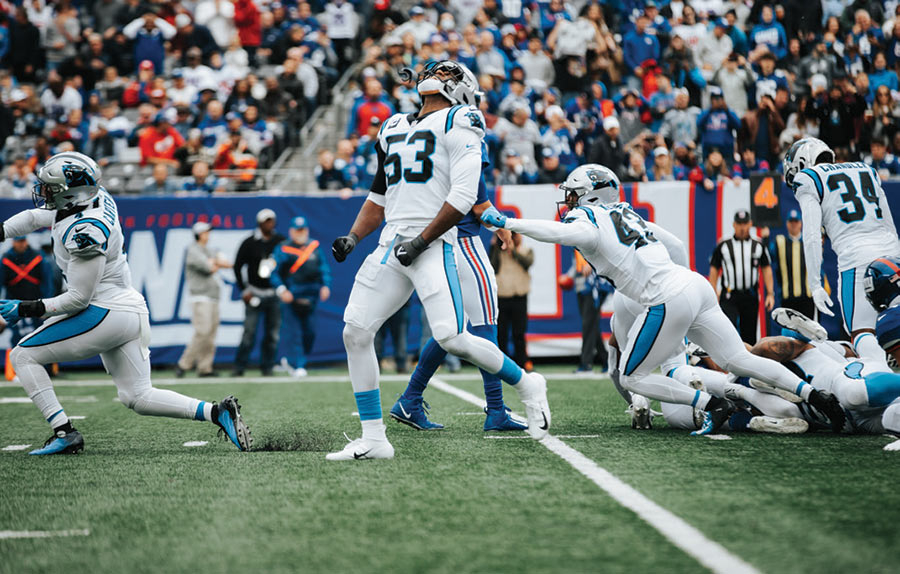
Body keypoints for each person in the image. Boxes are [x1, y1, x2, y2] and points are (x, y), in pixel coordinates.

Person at [481, 163, 844, 435]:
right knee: (737, 358)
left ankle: (709, 404)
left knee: (631, 378)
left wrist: (508, 222)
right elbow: (678, 246)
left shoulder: (587, 220)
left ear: (590, 194)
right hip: (692, 283)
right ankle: (814, 395)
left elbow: (556, 232)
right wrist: (681, 289)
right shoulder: (625, 212)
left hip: (664, 296)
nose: (569, 200)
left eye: (573, 194)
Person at [329, 60, 550, 460]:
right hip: (391, 243)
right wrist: (354, 236)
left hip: (431, 243)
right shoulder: (393, 125)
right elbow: (379, 198)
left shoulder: (461, 120)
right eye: (437, 72)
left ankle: (527, 384)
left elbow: (466, 197)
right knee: (355, 332)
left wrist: (421, 241)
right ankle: (375, 438)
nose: (440, 77)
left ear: (460, 89)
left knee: (451, 336)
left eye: (449, 74)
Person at [0, 152, 250, 454]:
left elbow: (79, 298)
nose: (45, 193)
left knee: (23, 355)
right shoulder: (91, 198)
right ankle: (217, 412)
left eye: (52, 188)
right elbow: (36, 217)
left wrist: (25, 308)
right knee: (137, 396)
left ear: (71, 191)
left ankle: (64, 431)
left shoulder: (85, 231)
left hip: (105, 312)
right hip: (127, 308)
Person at [784, 137, 900, 373]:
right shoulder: (866, 168)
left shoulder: (809, 178)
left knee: (860, 332)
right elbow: (888, 221)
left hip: (856, 260)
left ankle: (884, 380)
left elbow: (812, 235)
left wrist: (815, 284)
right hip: (891, 254)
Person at [270, 216, 331, 378]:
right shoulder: (282, 248)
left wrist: (326, 285)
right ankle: (297, 364)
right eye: (297, 230)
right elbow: (274, 272)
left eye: (302, 230)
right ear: (291, 231)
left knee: (309, 332)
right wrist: (282, 290)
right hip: (292, 295)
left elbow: (323, 267)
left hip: (310, 295)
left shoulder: (314, 246)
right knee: (294, 332)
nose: (300, 233)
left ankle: (293, 360)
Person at [708, 210, 775, 344]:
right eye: (739, 224)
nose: (742, 227)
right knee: (728, 331)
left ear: (750, 224)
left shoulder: (758, 245)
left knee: (749, 335)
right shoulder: (724, 244)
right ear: (734, 225)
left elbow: (766, 269)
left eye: (745, 223)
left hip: (750, 295)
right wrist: (713, 291)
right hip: (729, 296)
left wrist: (770, 294)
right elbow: (714, 268)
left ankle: (747, 364)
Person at [232, 208, 285, 376]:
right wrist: (244, 289)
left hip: (274, 292)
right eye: (266, 221)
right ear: (259, 223)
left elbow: (288, 266)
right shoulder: (249, 242)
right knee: (249, 332)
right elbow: (237, 266)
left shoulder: (281, 241)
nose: (269, 224)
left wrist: (284, 287)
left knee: (273, 334)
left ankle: (267, 367)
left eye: (271, 220)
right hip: (254, 292)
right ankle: (239, 367)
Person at [176, 221, 231, 378]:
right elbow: (210, 267)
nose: (208, 234)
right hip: (200, 297)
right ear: (199, 234)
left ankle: (205, 367)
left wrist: (215, 261)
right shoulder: (193, 250)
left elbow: (226, 264)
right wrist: (215, 261)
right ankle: (184, 364)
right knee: (203, 332)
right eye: (205, 232)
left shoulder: (208, 250)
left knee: (211, 334)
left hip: (213, 297)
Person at [490, 231, 534, 370]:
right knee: (501, 333)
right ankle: (502, 364)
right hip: (502, 296)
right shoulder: (498, 251)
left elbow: (527, 263)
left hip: (519, 296)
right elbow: (493, 267)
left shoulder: (527, 250)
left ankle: (522, 362)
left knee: (519, 333)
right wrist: (495, 247)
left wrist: (513, 249)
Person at [2, 236, 44, 367]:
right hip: (13, 305)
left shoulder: (37, 257)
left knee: (39, 335)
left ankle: (46, 368)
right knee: (16, 337)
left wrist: (46, 303)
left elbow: (46, 282)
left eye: (23, 241)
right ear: (13, 242)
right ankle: (16, 369)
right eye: (18, 241)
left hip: (35, 304)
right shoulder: (6, 259)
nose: (21, 244)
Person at [767, 210, 818, 319]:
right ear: (787, 224)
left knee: (808, 331)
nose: (794, 224)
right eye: (791, 222)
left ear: (801, 223)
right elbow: (766, 257)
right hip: (788, 296)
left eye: (796, 221)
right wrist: (765, 239)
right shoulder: (779, 242)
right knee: (789, 331)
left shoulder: (809, 242)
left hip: (807, 297)